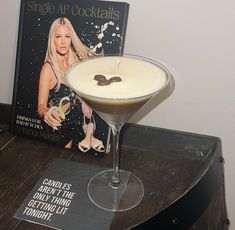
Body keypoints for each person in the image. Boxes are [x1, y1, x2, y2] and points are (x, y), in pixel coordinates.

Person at [38, 17, 105, 152]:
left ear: (71, 39)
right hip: (61, 130)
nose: (63, 41)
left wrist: (84, 101)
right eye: (58, 36)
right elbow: (40, 106)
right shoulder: (48, 68)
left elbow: (74, 93)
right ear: (53, 40)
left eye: (67, 36)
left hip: (79, 128)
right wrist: (46, 112)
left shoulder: (75, 63)